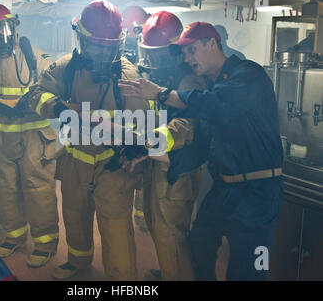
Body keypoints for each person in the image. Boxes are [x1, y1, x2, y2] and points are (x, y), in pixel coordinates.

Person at [118, 21, 283, 281]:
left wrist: (161, 94)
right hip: (224, 188)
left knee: (247, 270)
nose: (187, 57)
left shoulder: (249, 74)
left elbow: (214, 106)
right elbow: (200, 148)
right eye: (183, 52)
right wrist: (146, 150)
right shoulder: (212, 87)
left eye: (192, 50)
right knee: (198, 247)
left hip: (258, 191)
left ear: (212, 43)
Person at [18, 0, 149, 280]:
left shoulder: (128, 76)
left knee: (116, 231)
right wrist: (58, 108)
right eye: (96, 45)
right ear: (81, 40)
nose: (103, 52)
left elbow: (142, 128)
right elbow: (35, 94)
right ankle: (78, 263)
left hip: (113, 167)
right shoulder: (66, 68)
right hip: (76, 161)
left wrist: (129, 145)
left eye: (109, 46)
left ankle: (122, 281)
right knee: (75, 220)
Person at [0, 4, 59, 268]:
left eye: (3, 28)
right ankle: (14, 236)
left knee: (38, 189)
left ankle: (45, 243)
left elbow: (54, 92)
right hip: (0, 139)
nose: (0, 35)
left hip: (34, 137)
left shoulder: (37, 58)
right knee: (5, 189)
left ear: (15, 26)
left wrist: (32, 103)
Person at [133, 11, 208, 281]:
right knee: (157, 227)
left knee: (172, 236)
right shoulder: (166, 81)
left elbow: (185, 128)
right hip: (160, 165)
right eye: (151, 56)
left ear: (176, 51)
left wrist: (147, 143)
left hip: (177, 172)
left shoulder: (189, 81)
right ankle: (169, 273)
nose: (156, 62)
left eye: (162, 55)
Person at [122, 5, 150, 233]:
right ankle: (141, 218)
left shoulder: (150, 57)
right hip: (135, 124)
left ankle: (142, 218)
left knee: (143, 175)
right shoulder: (123, 58)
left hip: (148, 125)